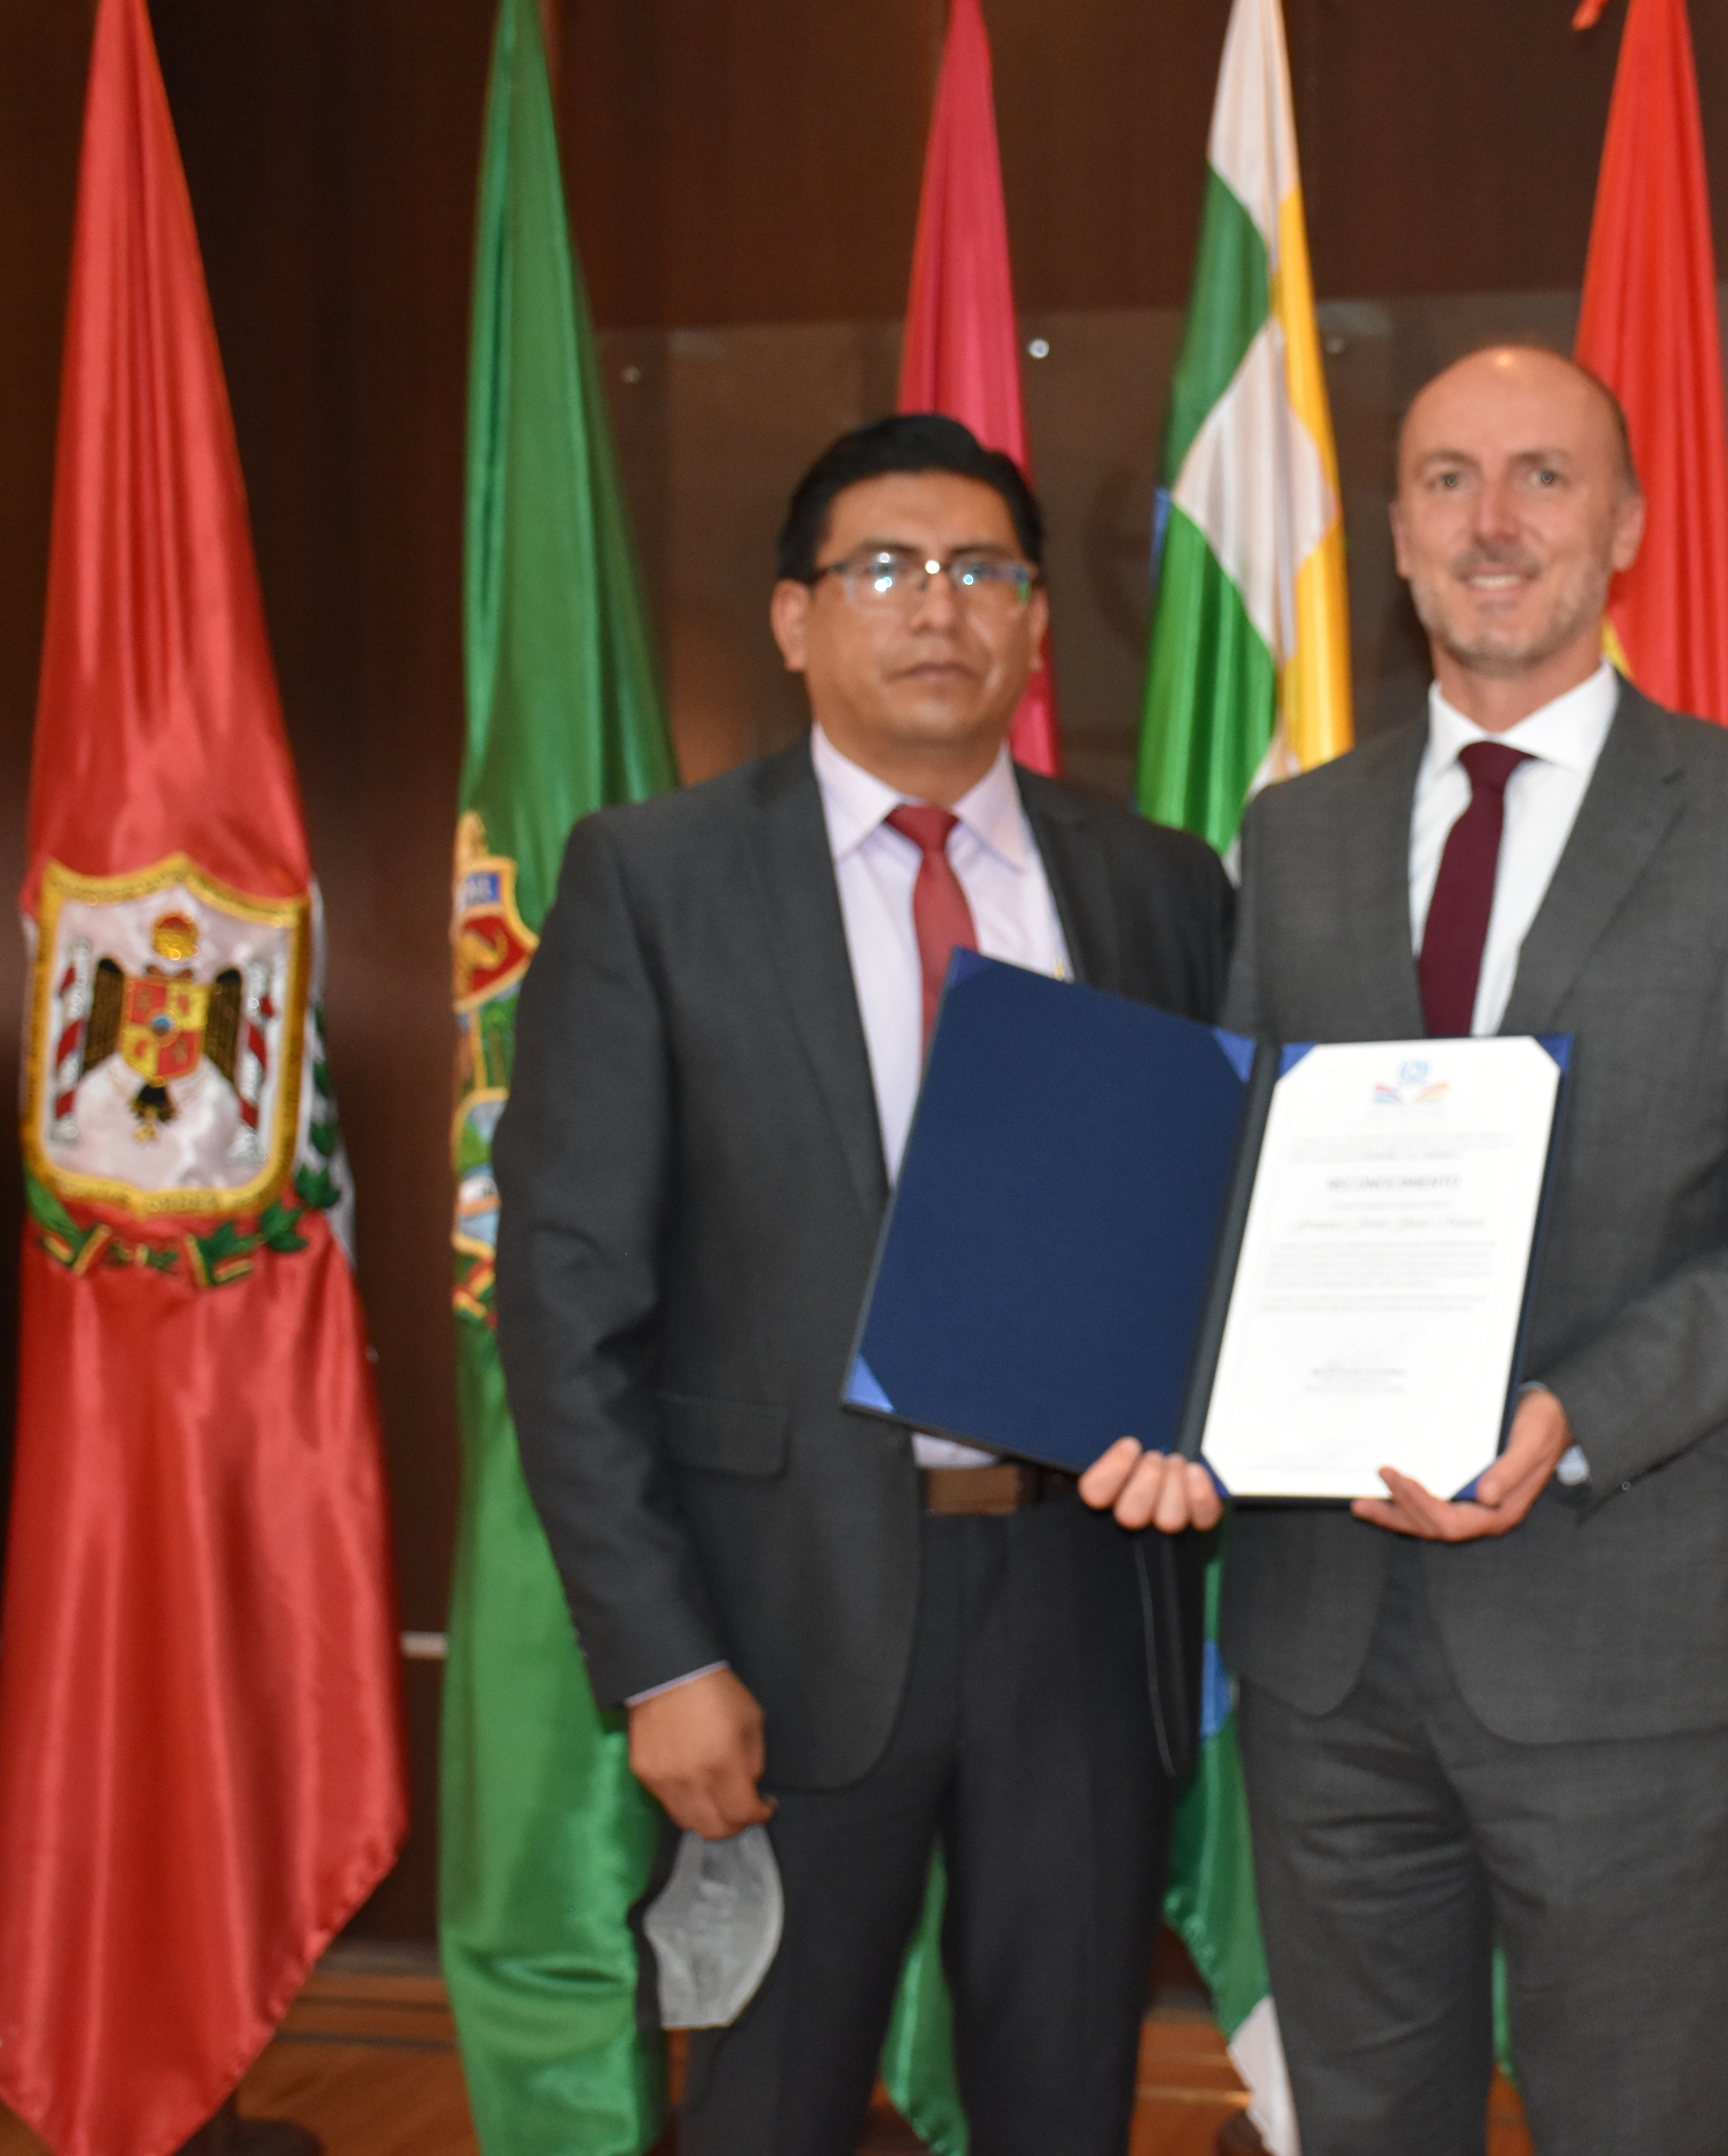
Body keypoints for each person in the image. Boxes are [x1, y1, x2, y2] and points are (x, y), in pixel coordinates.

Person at [1086, 345, 1728, 2154]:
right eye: (1449, 480)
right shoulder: (1297, 836)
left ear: (1624, 526)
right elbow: (1241, 1198)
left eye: (1544, 477)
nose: (1496, 521)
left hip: (1620, 1637)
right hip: (1325, 1645)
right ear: (1393, 535)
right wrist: (1163, 1388)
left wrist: (1571, 1414)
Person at [497, 413, 1228, 2156]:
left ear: (1040, 625)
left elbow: (1211, 1238)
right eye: (885, 568)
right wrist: (663, 1657)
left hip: (1082, 1594)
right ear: (792, 617)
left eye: (985, 571)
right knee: (765, 2112)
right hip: (775, 1623)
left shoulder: (1155, 888)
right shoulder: (654, 881)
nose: (938, 610)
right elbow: (566, 1306)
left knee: (1064, 2100)